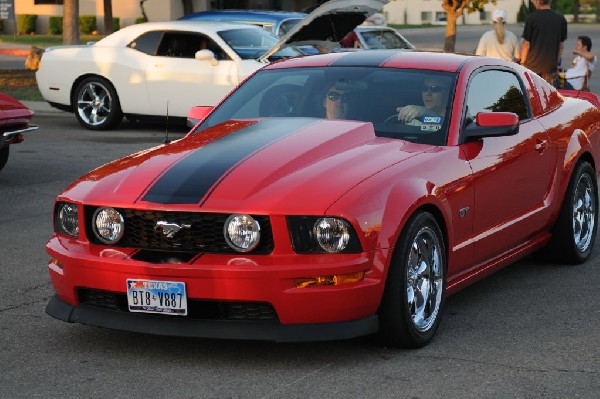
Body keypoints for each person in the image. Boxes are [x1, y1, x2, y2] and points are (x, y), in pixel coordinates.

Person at [520, 0, 568, 86]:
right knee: (548, 96)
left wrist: (522, 63)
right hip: (550, 69)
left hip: (532, 68)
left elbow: (526, 44)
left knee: (532, 95)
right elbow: (561, 46)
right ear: (550, 1)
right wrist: (556, 63)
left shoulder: (531, 18)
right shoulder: (561, 18)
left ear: (538, 1)